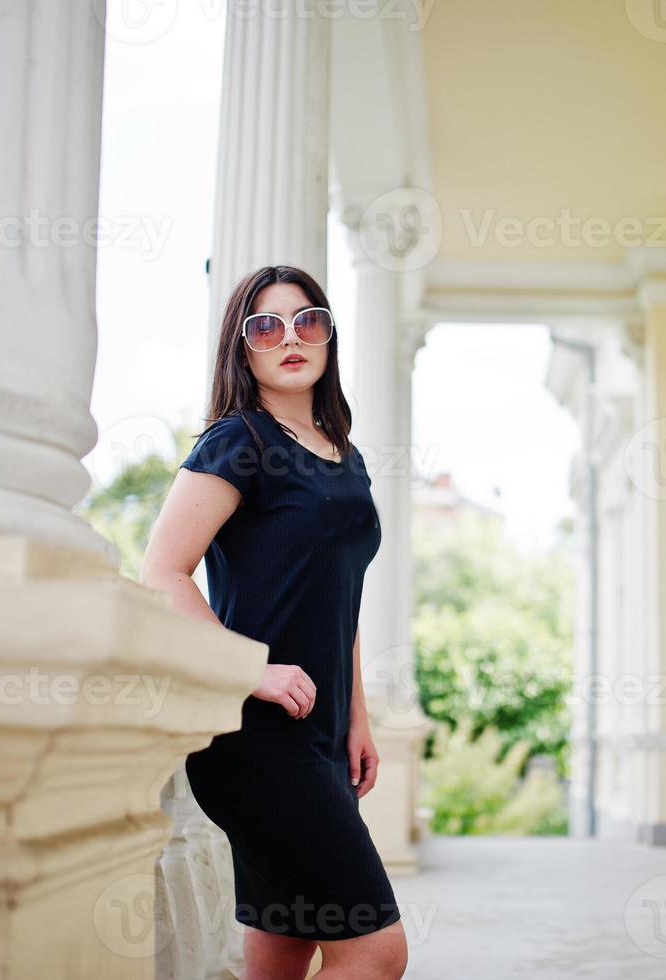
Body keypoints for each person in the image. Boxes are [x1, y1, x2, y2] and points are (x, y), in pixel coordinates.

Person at [142, 264, 408, 980]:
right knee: (376, 954)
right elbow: (162, 572)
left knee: (283, 952)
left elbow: (339, 597)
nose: (289, 338)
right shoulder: (237, 442)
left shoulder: (345, 459)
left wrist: (356, 717)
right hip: (254, 738)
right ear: (243, 348)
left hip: (319, 736)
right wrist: (247, 668)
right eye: (265, 326)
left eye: (307, 320)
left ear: (328, 338)